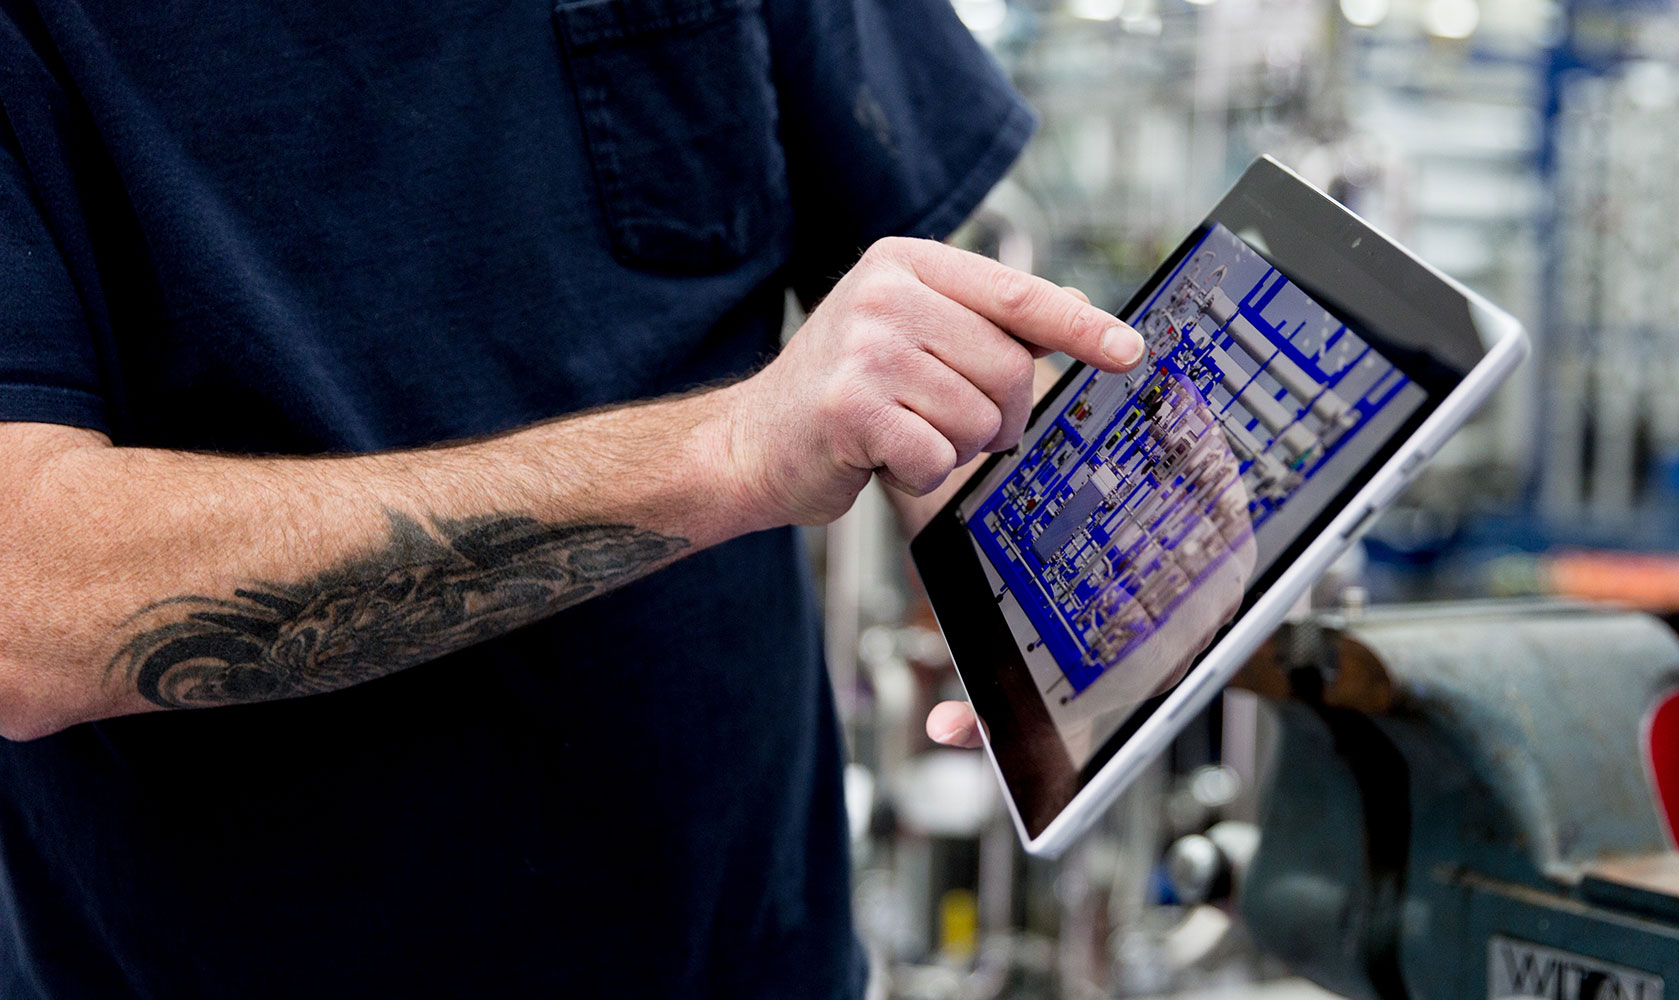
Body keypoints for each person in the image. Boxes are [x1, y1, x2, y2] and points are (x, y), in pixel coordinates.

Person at [0, 0, 1142, 995]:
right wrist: (728, 450)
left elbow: (943, 329)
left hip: (751, 956)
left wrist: (1075, 572)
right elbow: (29, 596)